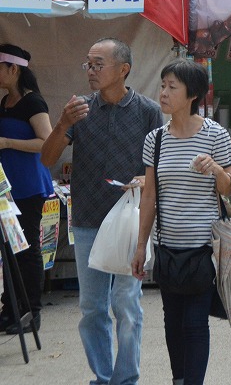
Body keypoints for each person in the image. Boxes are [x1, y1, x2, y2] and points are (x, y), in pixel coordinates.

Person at [40, 38, 163, 385]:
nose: (90, 71)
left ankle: (125, 379)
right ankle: (103, 376)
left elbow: (159, 165)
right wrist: (62, 123)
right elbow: (47, 160)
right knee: (92, 307)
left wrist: (145, 176)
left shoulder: (148, 111)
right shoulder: (78, 110)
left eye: (98, 64)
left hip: (130, 220)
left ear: (123, 70)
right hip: (88, 219)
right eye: (88, 64)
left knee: (126, 302)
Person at [131, 59, 231, 385]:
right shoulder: (155, 140)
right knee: (171, 322)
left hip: (203, 248)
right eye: (162, 86)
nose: (163, 93)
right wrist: (140, 245)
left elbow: (230, 186)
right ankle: (180, 380)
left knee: (194, 323)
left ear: (192, 95)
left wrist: (217, 169)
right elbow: (149, 196)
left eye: (171, 87)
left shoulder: (215, 135)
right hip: (167, 247)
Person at [0, 44, 53, 334]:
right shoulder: (5, 101)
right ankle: (10, 310)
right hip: (5, 190)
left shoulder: (34, 103)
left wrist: (7, 143)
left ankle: (31, 312)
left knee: (26, 248)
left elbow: (46, 142)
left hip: (29, 188)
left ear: (13, 69)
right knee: (7, 251)